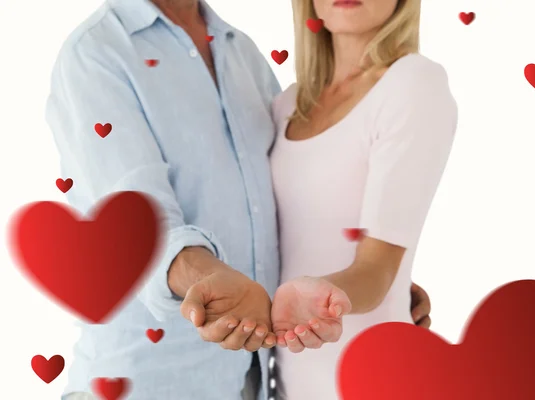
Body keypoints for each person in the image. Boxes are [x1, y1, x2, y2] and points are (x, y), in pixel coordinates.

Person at [45, 0, 433, 399]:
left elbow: (278, 198)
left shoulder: (241, 52)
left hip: (250, 382)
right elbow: (136, 222)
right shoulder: (96, 54)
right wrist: (206, 277)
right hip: (146, 383)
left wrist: (376, 280)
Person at [267, 0, 458, 399]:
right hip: (289, 381)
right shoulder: (286, 105)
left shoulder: (412, 83)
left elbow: (376, 270)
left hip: (376, 378)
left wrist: (318, 294)